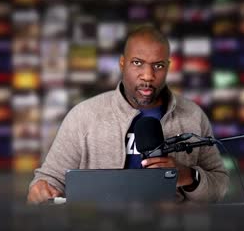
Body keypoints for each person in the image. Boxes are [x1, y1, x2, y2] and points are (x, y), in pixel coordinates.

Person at [27, 25, 229, 204]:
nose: (148, 76)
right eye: (138, 63)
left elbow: (219, 186)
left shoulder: (192, 115)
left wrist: (189, 176)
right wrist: (41, 190)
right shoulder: (84, 116)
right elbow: (48, 179)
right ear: (122, 63)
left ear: (168, 67)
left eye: (158, 66)